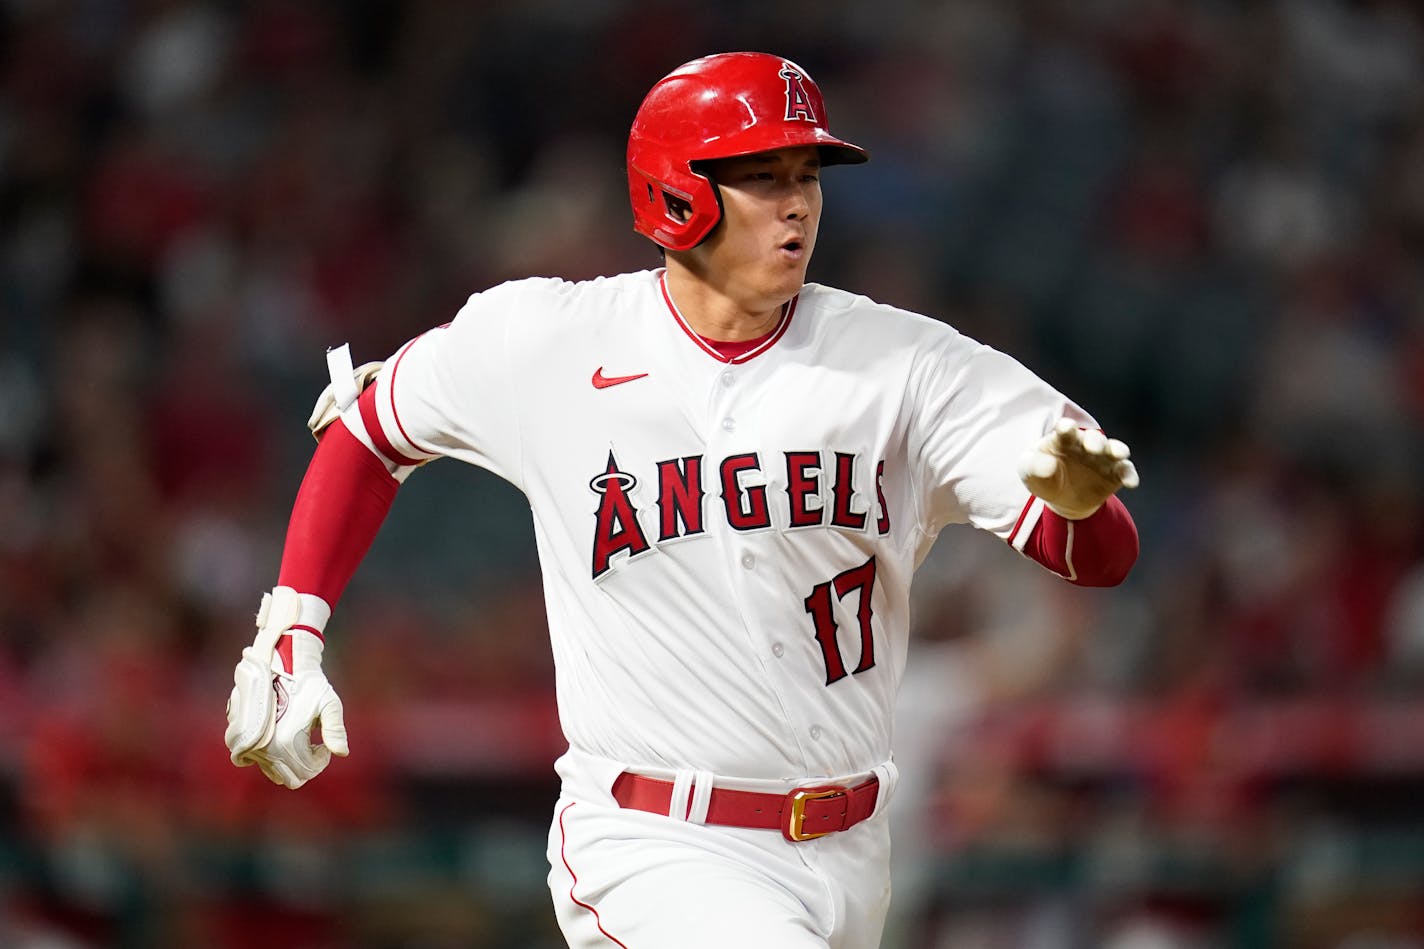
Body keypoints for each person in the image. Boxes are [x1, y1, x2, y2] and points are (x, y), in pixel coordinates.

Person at [224, 51, 1140, 947]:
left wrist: (1077, 507)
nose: (796, 203)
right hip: (655, 839)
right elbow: (369, 429)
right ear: (677, 193)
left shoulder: (909, 366)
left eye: (807, 175)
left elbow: (1104, 557)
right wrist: (290, 632)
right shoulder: (547, 342)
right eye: (761, 176)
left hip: (854, 848)